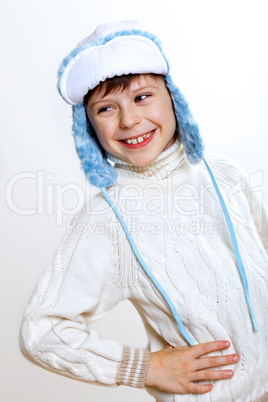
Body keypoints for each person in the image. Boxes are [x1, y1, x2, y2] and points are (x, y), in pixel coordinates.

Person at [19, 20, 268, 401]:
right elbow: (41, 330)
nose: (130, 120)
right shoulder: (108, 220)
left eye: (141, 97)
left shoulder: (225, 174)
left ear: (173, 97)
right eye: (105, 108)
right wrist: (144, 367)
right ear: (88, 128)